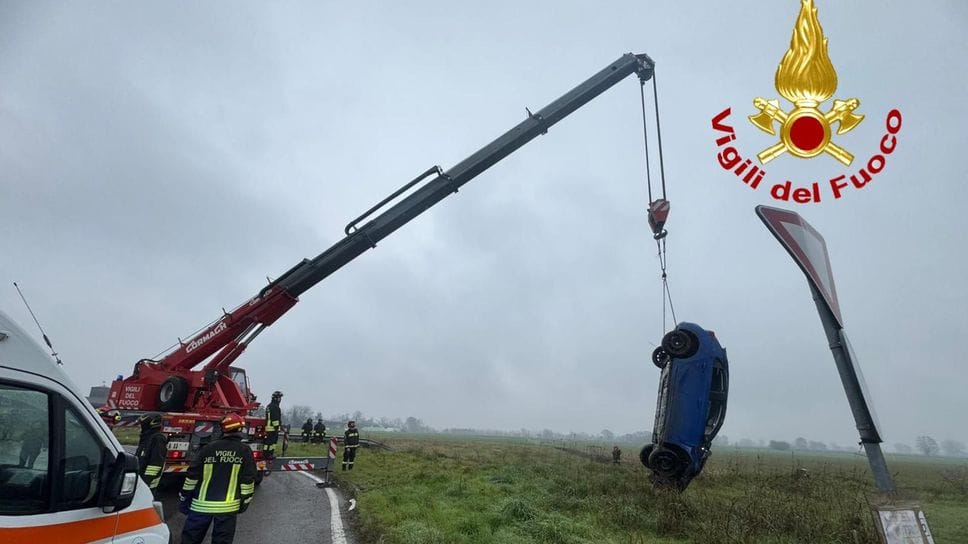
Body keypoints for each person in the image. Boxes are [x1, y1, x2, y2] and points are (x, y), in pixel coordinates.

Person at [180, 413, 257, 544]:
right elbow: (248, 480)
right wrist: (244, 502)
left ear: (223, 428)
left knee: (190, 540)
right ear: (239, 429)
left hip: (200, 506)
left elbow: (192, 475)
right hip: (228, 508)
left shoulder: (208, 448)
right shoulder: (244, 450)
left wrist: (184, 497)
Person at [135, 412, 168, 494]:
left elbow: (155, 464)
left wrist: (145, 482)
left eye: (142, 425)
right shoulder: (147, 438)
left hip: (147, 485)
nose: (140, 427)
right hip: (140, 481)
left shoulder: (157, 439)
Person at [264, 390, 283, 460]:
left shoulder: (269, 406)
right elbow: (275, 419)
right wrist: (277, 428)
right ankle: (269, 454)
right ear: (275, 398)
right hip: (272, 428)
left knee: (268, 443)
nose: (280, 400)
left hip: (268, 427)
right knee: (271, 443)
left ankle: (266, 454)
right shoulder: (275, 407)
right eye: (279, 398)